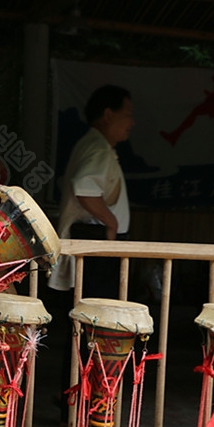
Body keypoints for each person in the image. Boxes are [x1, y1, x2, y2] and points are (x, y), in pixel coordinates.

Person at [47, 84, 134, 297]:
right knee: (97, 306)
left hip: (95, 234)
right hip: (97, 235)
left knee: (90, 304)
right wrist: (111, 224)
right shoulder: (98, 148)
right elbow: (85, 188)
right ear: (108, 115)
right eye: (128, 115)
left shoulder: (94, 144)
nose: (132, 122)